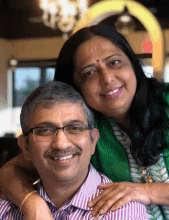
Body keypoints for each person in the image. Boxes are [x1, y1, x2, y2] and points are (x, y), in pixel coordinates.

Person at [1, 25, 169, 220]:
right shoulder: (84, 132)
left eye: (114, 62)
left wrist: (146, 192)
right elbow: (10, 171)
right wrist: (32, 203)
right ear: (76, 87)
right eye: (89, 72)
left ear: (132, 65)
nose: (107, 78)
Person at [0, 81, 148, 220]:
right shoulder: (6, 209)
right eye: (45, 130)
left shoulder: (126, 212)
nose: (61, 144)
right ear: (25, 146)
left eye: (75, 128)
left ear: (93, 140)